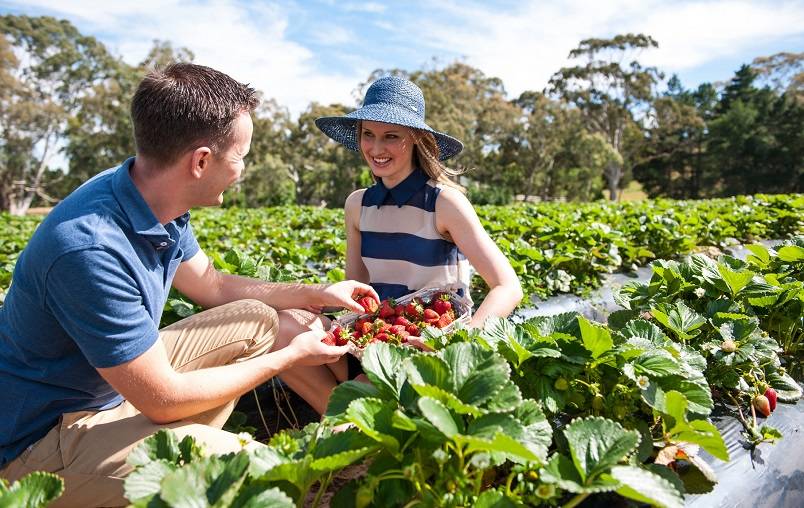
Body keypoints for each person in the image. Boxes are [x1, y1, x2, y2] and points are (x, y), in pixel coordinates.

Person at [0, 63, 375, 507]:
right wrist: (290, 357)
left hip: (110, 390)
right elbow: (163, 398)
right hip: (39, 442)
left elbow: (212, 285)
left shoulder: (151, 195)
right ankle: (167, 472)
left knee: (257, 320)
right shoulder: (90, 249)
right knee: (253, 474)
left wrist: (316, 293)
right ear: (200, 161)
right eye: (241, 156)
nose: (242, 169)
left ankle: (167, 458)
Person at [315, 76, 522, 332]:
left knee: (357, 376)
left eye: (391, 136)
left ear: (415, 138)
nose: (376, 148)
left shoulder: (444, 203)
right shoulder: (358, 205)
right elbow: (356, 289)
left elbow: (508, 287)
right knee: (289, 327)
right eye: (368, 134)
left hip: (433, 342)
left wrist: (465, 340)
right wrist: (309, 302)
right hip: (377, 338)